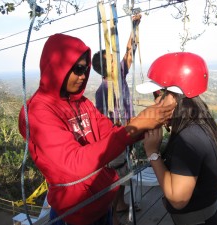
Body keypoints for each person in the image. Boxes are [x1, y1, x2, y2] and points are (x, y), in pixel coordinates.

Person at [18, 33, 176, 225]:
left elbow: (109, 132)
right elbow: (73, 164)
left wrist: (154, 120)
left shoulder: (82, 103)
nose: (83, 75)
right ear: (57, 68)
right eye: (77, 69)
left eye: (85, 69)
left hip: (100, 202)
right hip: (75, 214)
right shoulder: (37, 112)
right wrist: (138, 125)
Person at [136, 52, 217, 225]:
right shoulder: (200, 122)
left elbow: (178, 199)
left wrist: (152, 152)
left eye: (157, 94)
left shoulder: (188, 138)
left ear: (174, 96)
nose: (155, 102)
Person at [92, 14, 141, 225]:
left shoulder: (118, 76)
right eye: (111, 59)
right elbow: (104, 121)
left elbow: (130, 54)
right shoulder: (103, 91)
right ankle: (112, 215)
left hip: (125, 134)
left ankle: (120, 203)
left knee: (123, 172)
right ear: (106, 68)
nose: (116, 59)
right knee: (114, 176)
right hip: (114, 138)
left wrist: (135, 27)